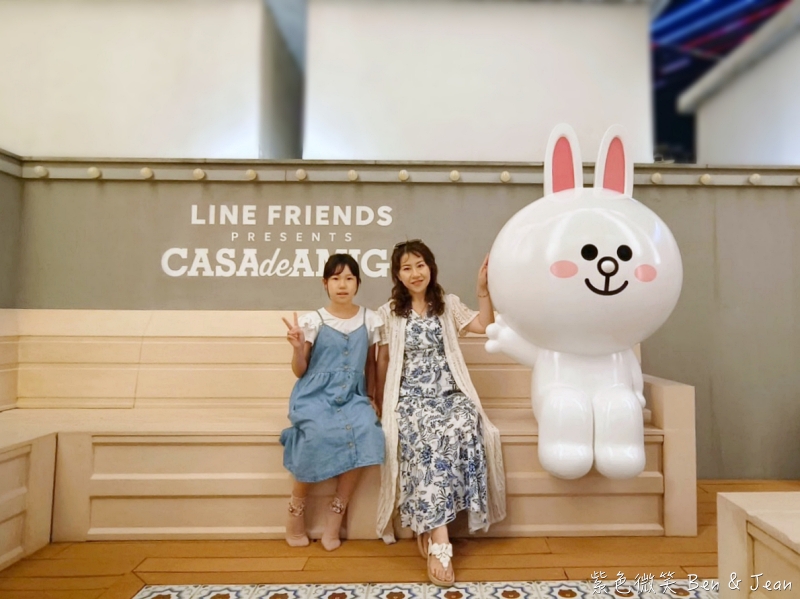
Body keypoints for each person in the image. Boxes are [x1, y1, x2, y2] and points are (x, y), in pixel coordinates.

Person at [375, 240, 506, 586]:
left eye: (420, 265)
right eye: (406, 268)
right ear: (398, 275)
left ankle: (430, 526)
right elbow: (383, 360)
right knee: (429, 436)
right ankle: (440, 540)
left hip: (450, 395)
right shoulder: (389, 312)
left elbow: (484, 325)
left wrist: (482, 290)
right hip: (410, 399)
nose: (415, 273)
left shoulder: (447, 305)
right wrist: (380, 402)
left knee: (464, 421)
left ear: (430, 268)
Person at [280, 253, 385, 551]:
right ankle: (296, 510)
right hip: (314, 395)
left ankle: (336, 514)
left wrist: (372, 397)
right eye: (336, 278)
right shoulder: (313, 320)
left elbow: (370, 364)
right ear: (325, 283)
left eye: (349, 278)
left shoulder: (369, 319)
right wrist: (297, 349)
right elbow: (300, 370)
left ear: (357, 283)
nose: (342, 285)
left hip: (352, 395)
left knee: (368, 432)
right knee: (314, 435)